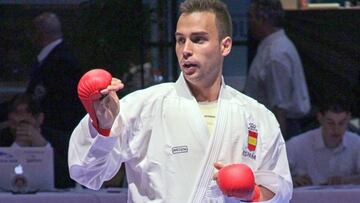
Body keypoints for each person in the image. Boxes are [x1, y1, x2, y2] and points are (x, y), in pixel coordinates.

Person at [68, 0, 292, 202]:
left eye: (198, 40)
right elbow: (87, 174)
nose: (186, 50)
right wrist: (103, 128)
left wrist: (251, 193)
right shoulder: (142, 107)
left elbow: (280, 189)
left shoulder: (257, 116)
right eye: (180, 40)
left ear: (225, 46)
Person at [244, 0, 310, 140]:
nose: (249, 22)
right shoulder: (271, 47)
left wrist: (279, 146)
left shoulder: (276, 54)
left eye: (252, 17)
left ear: (264, 20)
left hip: (280, 126)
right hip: (271, 123)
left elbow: (280, 107)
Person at [0, 93, 75, 188]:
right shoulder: (2, 138)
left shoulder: (60, 140)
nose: (23, 130)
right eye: (16, 123)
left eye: (26, 123)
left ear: (40, 118)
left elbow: (69, 179)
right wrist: (16, 147)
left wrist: (43, 146)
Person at [26, 12, 83, 133]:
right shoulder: (62, 57)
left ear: (39, 34)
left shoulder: (61, 62)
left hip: (57, 130)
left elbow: (60, 103)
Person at [286, 96, 360, 187]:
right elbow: (269, 175)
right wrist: (292, 181)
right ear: (320, 118)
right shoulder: (297, 145)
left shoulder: (356, 143)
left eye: (341, 123)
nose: (336, 129)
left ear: (348, 118)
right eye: (330, 123)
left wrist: (346, 180)